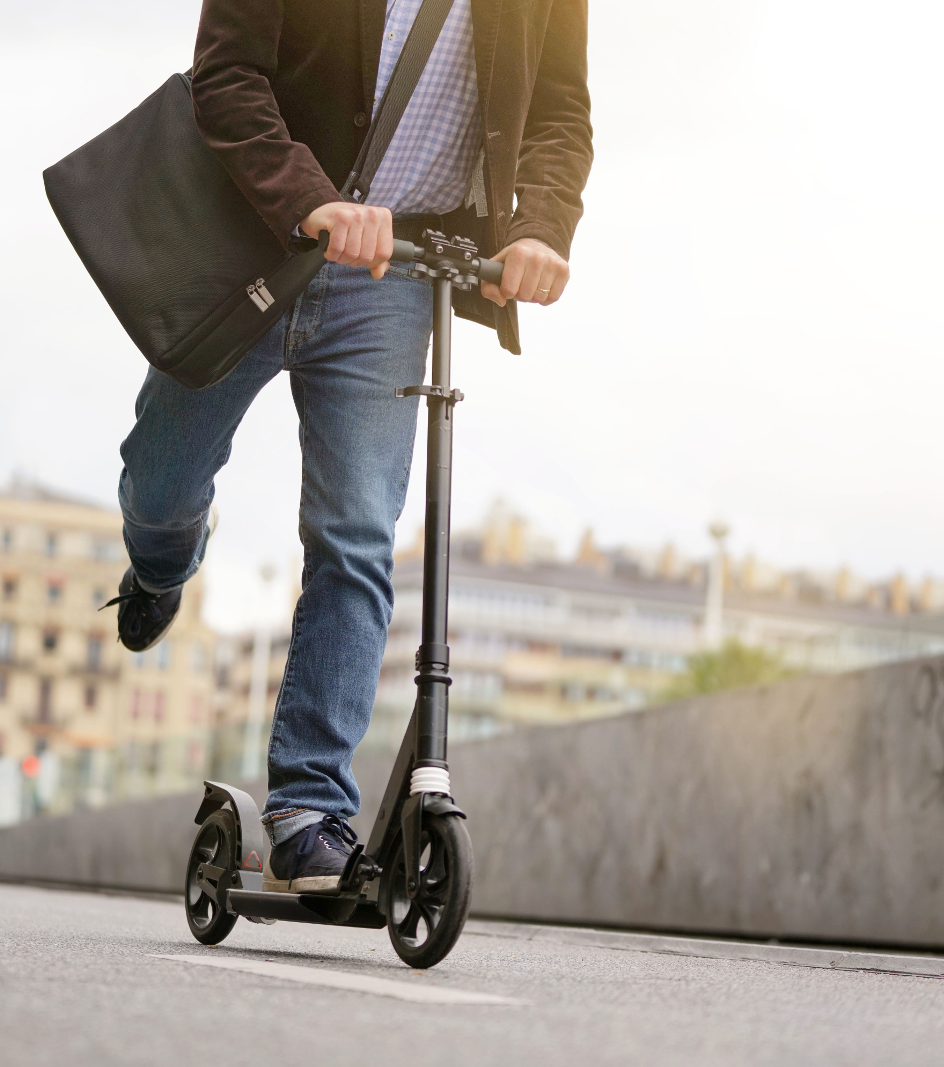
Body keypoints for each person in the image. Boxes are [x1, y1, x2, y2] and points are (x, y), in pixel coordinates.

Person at [110, 0, 593, 892]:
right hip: (254, 243)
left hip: (395, 277)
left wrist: (541, 224)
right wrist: (314, 201)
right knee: (160, 481)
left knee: (357, 535)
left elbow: (561, 112)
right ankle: (164, 561)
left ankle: (307, 810)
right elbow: (226, 73)